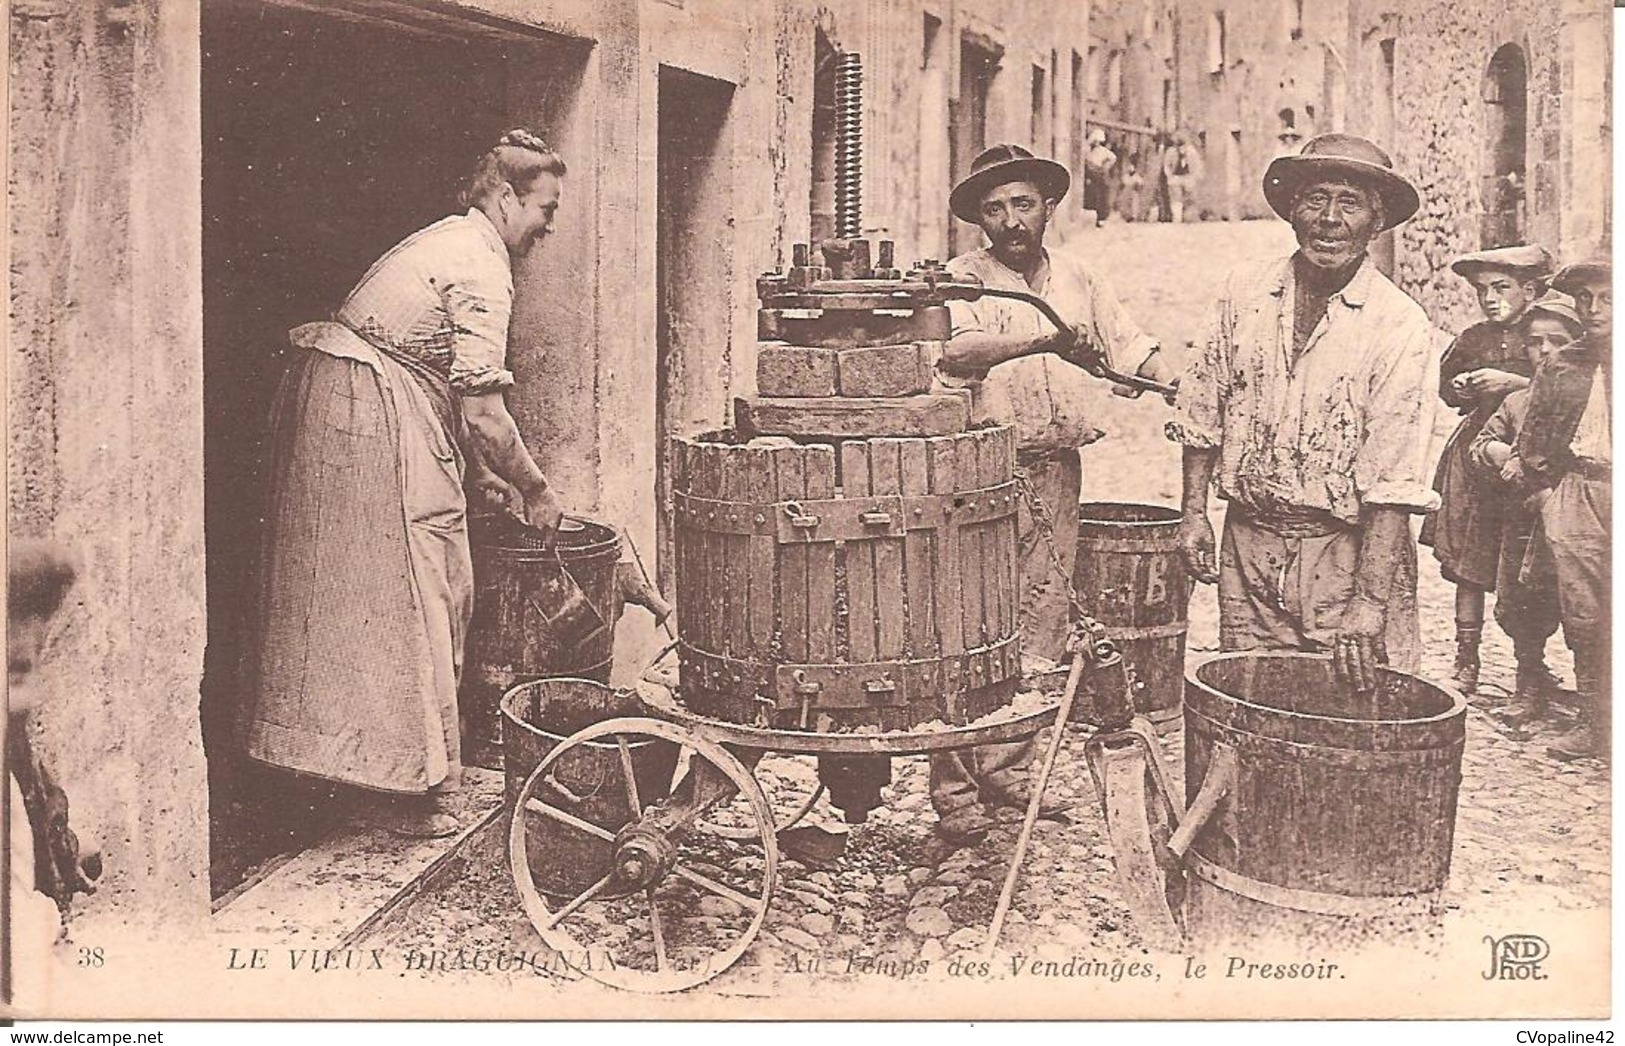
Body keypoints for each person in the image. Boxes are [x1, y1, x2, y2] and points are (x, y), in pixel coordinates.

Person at [245, 129, 571, 837]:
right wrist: (535, 488)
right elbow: (484, 410)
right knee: (396, 593)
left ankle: (388, 776)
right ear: (506, 197)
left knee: (408, 587)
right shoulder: (479, 264)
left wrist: (483, 473)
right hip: (361, 412)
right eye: (545, 207)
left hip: (375, 401)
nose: (549, 224)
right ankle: (384, 787)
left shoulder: (461, 242)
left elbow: (449, 384)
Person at [928, 144, 1173, 845]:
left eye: (1022, 204)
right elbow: (957, 354)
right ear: (979, 218)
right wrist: (1046, 339)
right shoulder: (962, 280)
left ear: (1047, 207)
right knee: (966, 627)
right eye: (995, 208)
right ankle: (953, 789)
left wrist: (1167, 379)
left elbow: (1127, 347)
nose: (1010, 220)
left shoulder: (1079, 276)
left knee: (1038, 627)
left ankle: (1007, 767)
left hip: (1056, 472)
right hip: (977, 475)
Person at [1167, 133, 1440, 689]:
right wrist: (1194, 513)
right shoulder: (1243, 293)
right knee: (1253, 702)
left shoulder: (1399, 325)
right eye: (1316, 199)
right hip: (1248, 545)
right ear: (1293, 210)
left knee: (1349, 716)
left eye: (1349, 203)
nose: (1330, 219)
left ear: (1376, 219)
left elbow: (1394, 480)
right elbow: (1202, 410)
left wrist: (1369, 601)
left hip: (1346, 553)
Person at [1419, 244, 1553, 694]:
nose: (1490, 299)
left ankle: (1529, 667)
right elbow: (1444, 387)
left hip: (1527, 455)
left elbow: (1569, 386)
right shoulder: (1474, 338)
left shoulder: (1548, 333)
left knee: (1525, 566)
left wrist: (1515, 383)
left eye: (1502, 288)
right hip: (1473, 464)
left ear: (1529, 290)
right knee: (1468, 561)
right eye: (1482, 291)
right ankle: (1466, 659)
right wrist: (1458, 387)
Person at [1467, 290, 1579, 730]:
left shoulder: (1590, 399)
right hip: (1524, 524)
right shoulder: (1516, 403)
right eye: (1536, 342)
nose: (1546, 350)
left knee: (1583, 607)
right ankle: (1528, 679)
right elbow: (1481, 445)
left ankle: (1596, 699)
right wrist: (1503, 453)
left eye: (1558, 340)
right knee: (1520, 603)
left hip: (1576, 519)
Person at [1516, 257, 1611, 761]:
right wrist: (1547, 498)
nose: (1594, 310)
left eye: (1607, 299)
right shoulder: (1563, 365)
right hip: (1578, 491)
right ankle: (1594, 722)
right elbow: (1532, 439)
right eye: (1585, 300)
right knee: (1584, 613)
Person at [1162, 132, 1203, 223]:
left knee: (1190, 197)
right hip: (1176, 177)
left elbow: (1197, 165)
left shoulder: (1192, 151)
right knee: (1176, 198)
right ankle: (1177, 218)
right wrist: (1170, 176)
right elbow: (1166, 165)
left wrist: (1194, 177)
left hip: (1188, 177)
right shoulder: (1171, 151)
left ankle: (1189, 217)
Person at [1082, 128, 1118, 228]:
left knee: (1103, 196)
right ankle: (1096, 217)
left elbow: (1113, 157)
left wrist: (1105, 166)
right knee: (1094, 196)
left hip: (1101, 174)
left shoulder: (1103, 151)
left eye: (1097, 141)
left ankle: (1102, 218)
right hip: (1092, 175)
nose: (1096, 143)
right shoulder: (1088, 151)